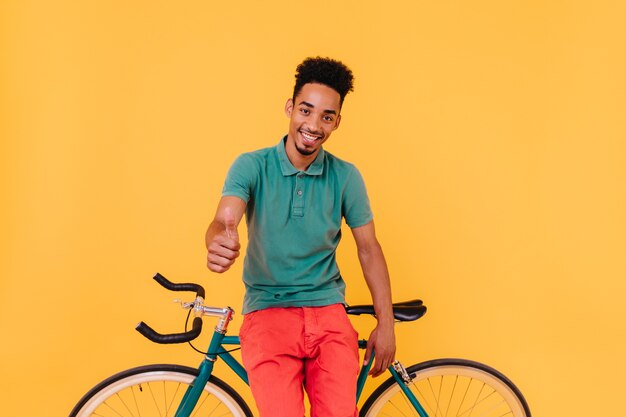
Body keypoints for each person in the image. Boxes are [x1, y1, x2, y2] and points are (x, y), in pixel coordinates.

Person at [205, 57, 395, 417]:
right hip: (268, 313)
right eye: (306, 110)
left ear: (337, 122)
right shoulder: (251, 165)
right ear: (290, 107)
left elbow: (369, 250)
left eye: (326, 116)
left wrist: (386, 325)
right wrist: (218, 239)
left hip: (328, 314)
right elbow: (224, 218)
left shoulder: (346, 176)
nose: (313, 125)